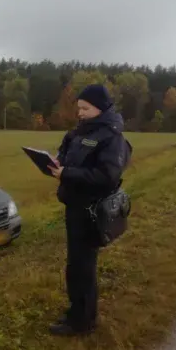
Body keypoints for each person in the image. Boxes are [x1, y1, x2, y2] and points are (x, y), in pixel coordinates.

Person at [47, 84, 132, 336]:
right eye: (79, 108)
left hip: (92, 212)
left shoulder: (111, 137)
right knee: (75, 265)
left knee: (83, 267)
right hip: (74, 207)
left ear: (100, 108)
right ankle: (77, 312)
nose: (80, 113)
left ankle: (83, 322)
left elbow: (106, 176)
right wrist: (56, 163)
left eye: (85, 108)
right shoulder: (77, 133)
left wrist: (67, 173)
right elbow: (66, 156)